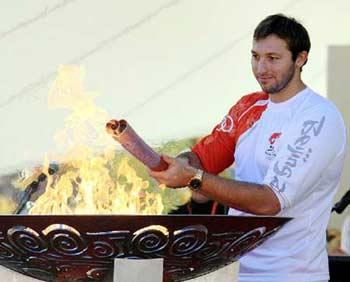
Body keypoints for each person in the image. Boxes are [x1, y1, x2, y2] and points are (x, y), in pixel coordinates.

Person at [149, 14, 347, 282]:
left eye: (273, 58)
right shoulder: (249, 106)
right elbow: (202, 158)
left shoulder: (318, 117)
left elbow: (269, 201)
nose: (261, 68)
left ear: (300, 58)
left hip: (290, 275)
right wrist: (179, 164)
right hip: (234, 271)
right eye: (255, 56)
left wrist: (193, 178)